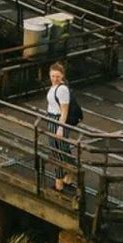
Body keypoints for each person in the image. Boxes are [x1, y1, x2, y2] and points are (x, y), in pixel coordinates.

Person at [47, 63, 80, 192]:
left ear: (62, 76)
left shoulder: (62, 89)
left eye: (57, 76)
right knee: (60, 149)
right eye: (53, 76)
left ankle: (59, 181)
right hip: (52, 118)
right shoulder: (54, 87)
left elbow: (64, 110)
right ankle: (72, 171)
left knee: (58, 151)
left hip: (58, 120)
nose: (55, 79)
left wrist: (60, 127)